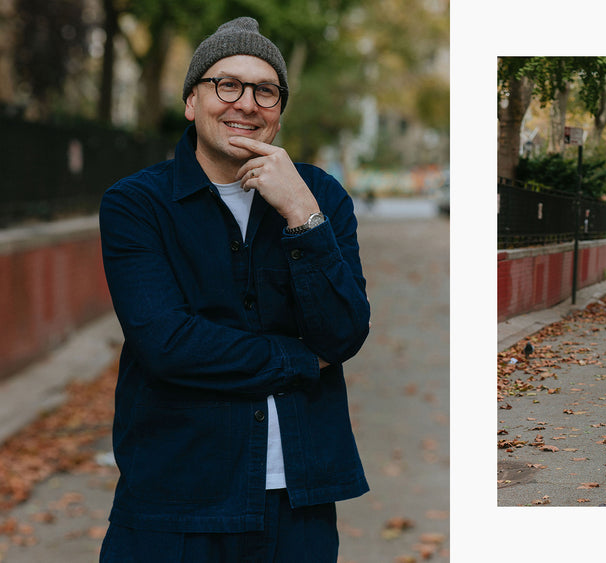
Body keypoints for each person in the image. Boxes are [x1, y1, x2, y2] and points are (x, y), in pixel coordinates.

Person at [98, 17, 370, 562]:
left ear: (279, 109)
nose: (246, 103)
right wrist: (298, 359)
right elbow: (167, 343)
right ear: (191, 103)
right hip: (173, 497)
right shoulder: (136, 204)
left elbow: (343, 333)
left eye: (265, 90)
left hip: (300, 500)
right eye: (227, 84)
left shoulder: (320, 197)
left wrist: (299, 213)